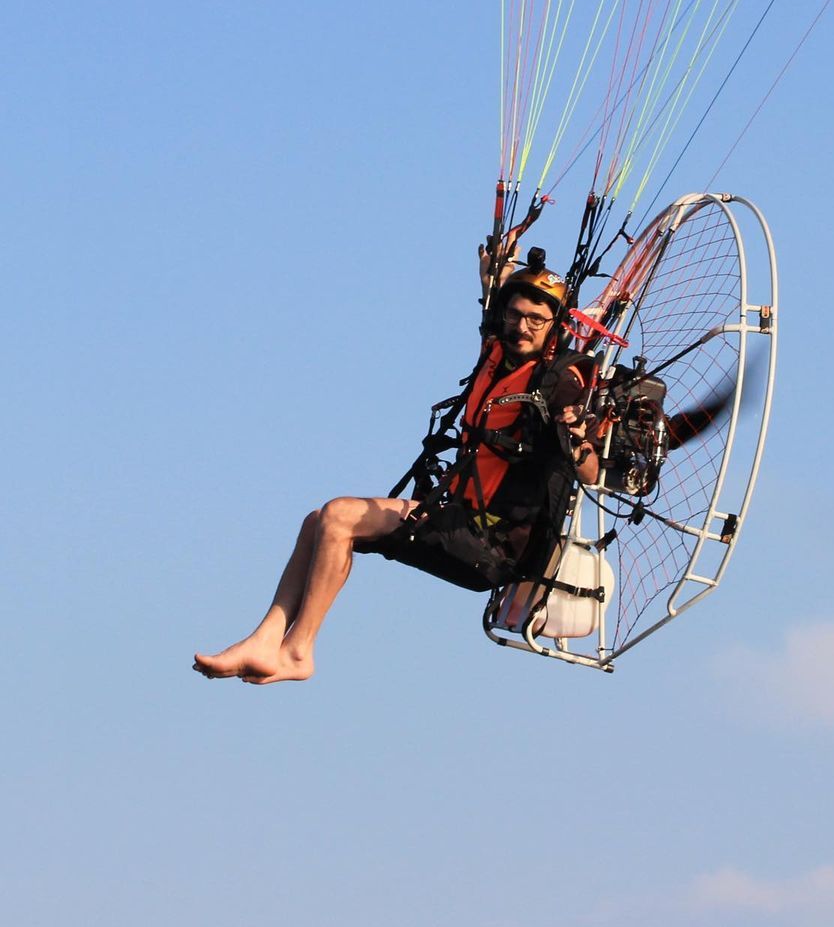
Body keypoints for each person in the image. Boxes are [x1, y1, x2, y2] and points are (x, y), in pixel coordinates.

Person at [193, 253, 599, 684]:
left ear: (555, 326)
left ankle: (298, 652)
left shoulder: (563, 383)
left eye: (536, 320)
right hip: (457, 519)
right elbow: (492, 308)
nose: (522, 327)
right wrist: (492, 274)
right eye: (515, 315)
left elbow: (590, 473)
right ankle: (265, 640)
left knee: (339, 515)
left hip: (494, 545)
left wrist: (577, 440)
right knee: (317, 523)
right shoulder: (497, 353)